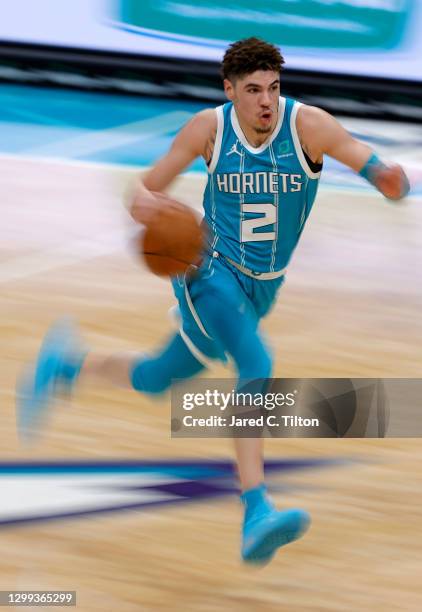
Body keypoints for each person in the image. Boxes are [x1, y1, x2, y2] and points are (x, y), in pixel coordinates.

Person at [17, 38, 410, 565]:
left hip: (264, 285)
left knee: (159, 378)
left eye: (273, 88)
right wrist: (168, 224)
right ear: (230, 91)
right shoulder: (209, 129)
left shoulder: (308, 126)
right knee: (256, 362)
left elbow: (371, 163)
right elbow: (146, 190)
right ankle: (257, 510)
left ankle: (67, 362)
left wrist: (388, 179)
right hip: (209, 273)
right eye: (253, 91)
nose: (266, 101)